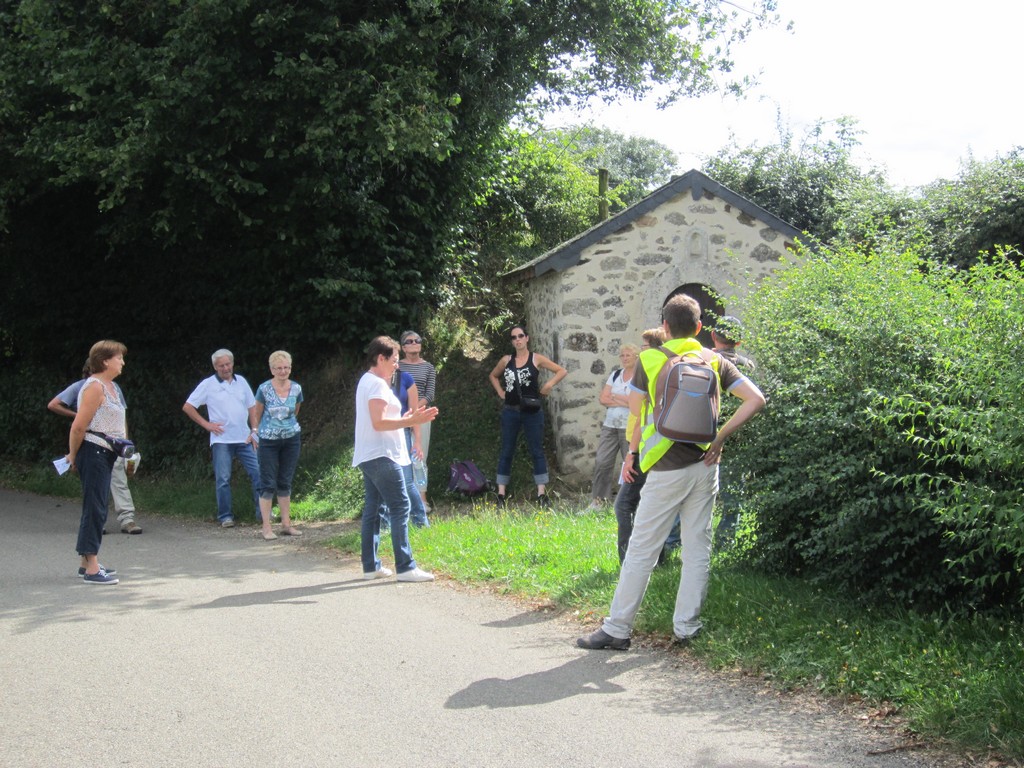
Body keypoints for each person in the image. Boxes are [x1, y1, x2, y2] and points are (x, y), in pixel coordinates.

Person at [578, 294, 765, 649]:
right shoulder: (713, 359)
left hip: (663, 469)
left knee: (642, 550)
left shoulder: (649, 359)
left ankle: (617, 630)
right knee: (698, 547)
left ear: (665, 327)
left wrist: (632, 454)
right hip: (705, 466)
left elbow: (636, 412)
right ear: (699, 328)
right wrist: (720, 438)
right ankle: (687, 627)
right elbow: (756, 399)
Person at [353, 336, 437, 582]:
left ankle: (371, 566)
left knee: (375, 509)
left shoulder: (367, 381)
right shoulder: (377, 384)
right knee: (401, 506)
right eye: (394, 360)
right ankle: (406, 567)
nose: (397, 366)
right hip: (381, 456)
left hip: (371, 455)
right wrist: (412, 421)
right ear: (381, 358)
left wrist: (409, 418)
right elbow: (379, 422)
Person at [49, 362, 142, 535]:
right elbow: (53, 404)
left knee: (119, 479)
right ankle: (98, 522)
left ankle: (127, 519)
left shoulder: (114, 387)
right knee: (95, 484)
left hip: (116, 442)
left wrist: (126, 441)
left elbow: (122, 415)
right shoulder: (82, 386)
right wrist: (78, 415)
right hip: (93, 442)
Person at [66, 340, 130, 584]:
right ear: (105, 361)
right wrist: (73, 455)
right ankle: (92, 569)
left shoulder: (111, 386)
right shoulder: (94, 387)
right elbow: (79, 426)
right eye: (119, 358)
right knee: (95, 508)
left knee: (98, 506)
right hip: (93, 452)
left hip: (107, 453)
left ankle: (86, 563)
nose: (122, 362)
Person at [488, 324, 568, 508]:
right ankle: (501, 494)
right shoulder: (506, 360)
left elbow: (561, 371)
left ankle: (541, 494)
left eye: (520, 336)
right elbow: (493, 376)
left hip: (532, 412)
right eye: (514, 337)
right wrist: (501, 391)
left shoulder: (536, 359)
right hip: (510, 411)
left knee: (537, 451)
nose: (517, 340)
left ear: (527, 338)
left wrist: (549, 385)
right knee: (506, 450)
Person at [182, 349, 261, 528]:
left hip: (245, 438)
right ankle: (225, 516)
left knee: (258, 472)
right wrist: (207, 425)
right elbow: (188, 406)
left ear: (232, 363)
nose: (225, 368)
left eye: (228, 364)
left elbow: (252, 407)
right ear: (215, 367)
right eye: (221, 365)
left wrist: (254, 429)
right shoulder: (208, 384)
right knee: (223, 479)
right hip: (222, 440)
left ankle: (262, 513)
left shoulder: (241, 381)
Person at [613, 328, 665, 563]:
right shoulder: (668, 369)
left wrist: (631, 454)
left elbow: (639, 414)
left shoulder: (648, 370)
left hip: (647, 448)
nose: (639, 351)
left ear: (650, 349)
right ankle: (658, 558)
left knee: (623, 505)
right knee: (649, 505)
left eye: (642, 347)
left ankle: (628, 560)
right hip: (649, 446)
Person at [709, 316, 757, 543]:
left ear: (713, 336)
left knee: (691, 494)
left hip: (706, 434)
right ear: (739, 342)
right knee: (732, 496)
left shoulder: (705, 361)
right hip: (737, 435)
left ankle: (674, 541)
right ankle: (725, 542)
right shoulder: (748, 366)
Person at [253, 350, 303, 541]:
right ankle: (266, 527)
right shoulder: (264, 389)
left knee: (285, 481)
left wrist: (285, 428)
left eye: (286, 367)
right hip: (268, 441)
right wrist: (256, 432)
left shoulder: (297, 388)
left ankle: (286, 524)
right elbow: (257, 414)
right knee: (267, 483)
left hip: (291, 439)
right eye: (279, 368)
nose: (283, 371)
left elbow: (295, 411)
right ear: (272, 369)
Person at [588, 344, 638, 509]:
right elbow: (603, 398)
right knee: (602, 461)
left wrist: (615, 397)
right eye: (622, 355)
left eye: (628, 355)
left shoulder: (639, 377)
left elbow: (635, 404)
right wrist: (624, 399)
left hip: (628, 427)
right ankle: (599, 501)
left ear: (636, 357)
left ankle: (629, 503)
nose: (624, 358)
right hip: (610, 425)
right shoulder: (616, 374)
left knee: (630, 465)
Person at [397, 330, 436, 508]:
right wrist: (407, 411)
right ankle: (405, 499)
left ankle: (422, 498)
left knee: (420, 457)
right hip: (400, 417)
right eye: (410, 341)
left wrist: (415, 410)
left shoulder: (428, 367)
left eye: (417, 340)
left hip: (421, 416)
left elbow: (429, 394)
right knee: (401, 457)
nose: (414, 343)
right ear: (403, 347)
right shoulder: (398, 367)